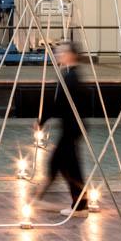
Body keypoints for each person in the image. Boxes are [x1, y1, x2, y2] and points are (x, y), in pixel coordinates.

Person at [38, 40, 91, 211]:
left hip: (72, 127)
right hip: (72, 126)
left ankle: (80, 205)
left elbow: (59, 103)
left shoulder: (70, 77)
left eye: (61, 52)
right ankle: (42, 197)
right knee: (61, 163)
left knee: (68, 166)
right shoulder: (70, 75)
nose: (57, 54)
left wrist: (42, 120)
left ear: (70, 55)